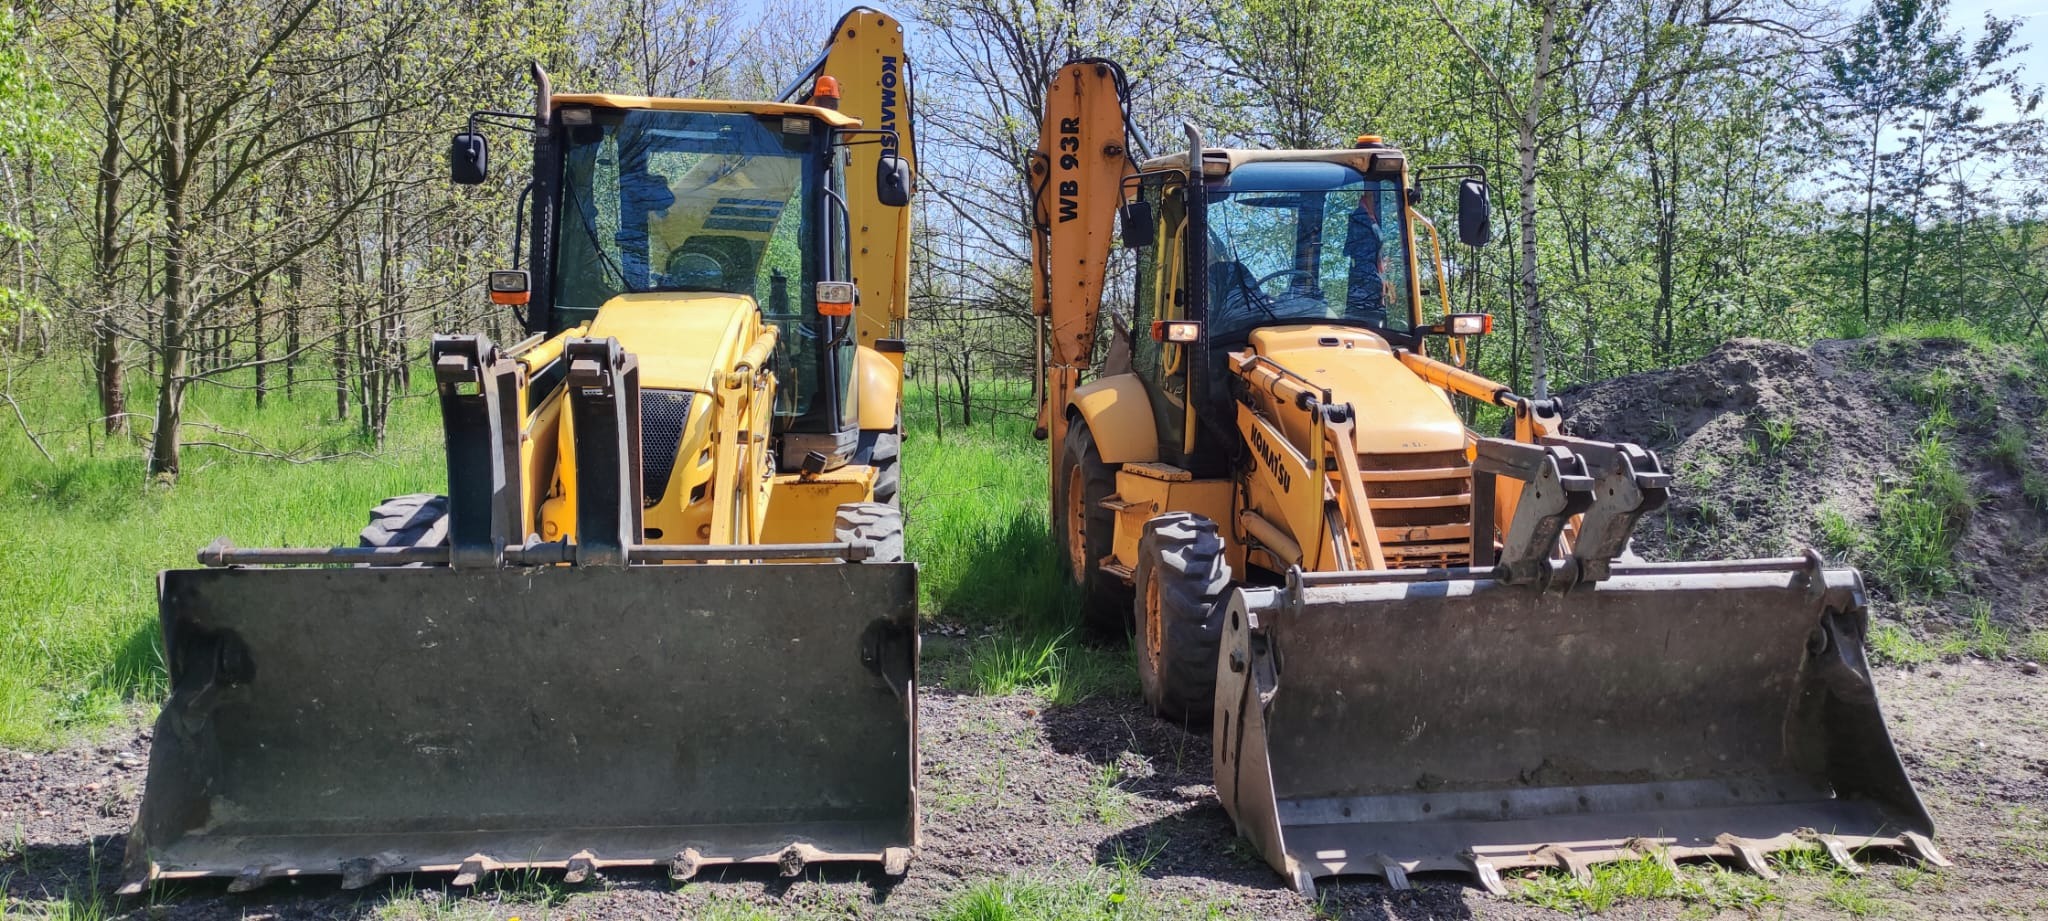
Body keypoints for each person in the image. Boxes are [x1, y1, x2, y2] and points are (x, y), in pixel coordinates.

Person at [1344, 192, 1386, 325]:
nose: (1376, 200)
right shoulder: (1360, 219)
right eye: (1372, 196)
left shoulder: (1372, 219)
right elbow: (1350, 249)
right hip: (1364, 283)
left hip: (1370, 280)